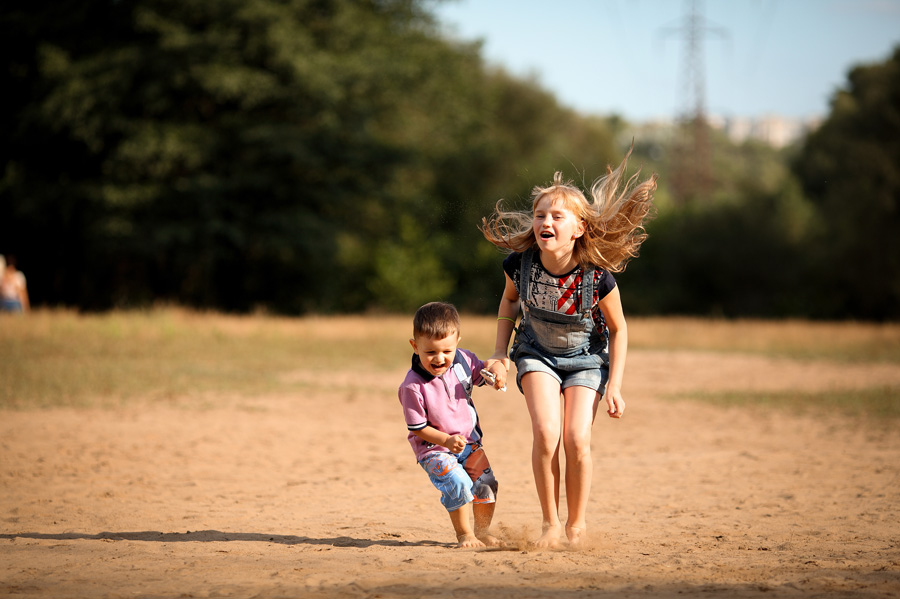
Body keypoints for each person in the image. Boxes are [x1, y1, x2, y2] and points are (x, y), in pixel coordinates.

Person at [479, 149, 657, 548]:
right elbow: (509, 302)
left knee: (577, 439)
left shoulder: (598, 276)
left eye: (557, 216)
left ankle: (576, 525)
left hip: (586, 361)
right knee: (546, 434)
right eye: (541, 214)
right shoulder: (519, 264)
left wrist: (615, 385)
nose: (546, 221)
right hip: (536, 354)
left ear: (577, 228)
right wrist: (501, 353)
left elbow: (619, 328)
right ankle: (551, 525)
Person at [397, 301, 507, 548]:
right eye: (430, 352)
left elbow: (483, 373)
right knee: (458, 482)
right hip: (435, 449)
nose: (439, 358)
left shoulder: (464, 360)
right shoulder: (412, 386)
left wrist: (496, 373)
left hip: (469, 443)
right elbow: (417, 427)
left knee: (486, 484)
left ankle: (482, 531)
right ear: (415, 347)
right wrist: (445, 440)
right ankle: (465, 534)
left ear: (458, 341)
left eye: (446, 351)